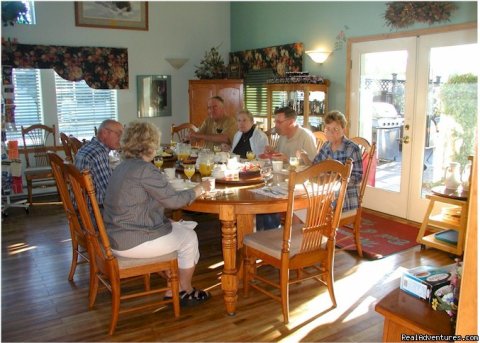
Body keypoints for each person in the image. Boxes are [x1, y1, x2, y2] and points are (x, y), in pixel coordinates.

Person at [103, 121, 212, 306]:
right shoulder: (145, 169)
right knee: (189, 238)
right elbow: (175, 202)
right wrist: (199, 189)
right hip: (133, 241)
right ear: (150, 145)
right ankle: (183, 290)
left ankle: (174, 283)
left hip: (115, 236)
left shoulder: (122, 166)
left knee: (178, 227)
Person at [257, 107, 317, 230]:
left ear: (291, 122)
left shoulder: (305, 136)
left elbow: (313, 167)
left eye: (279, 122)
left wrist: (288, 160)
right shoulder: (283, 136)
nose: (276, 125)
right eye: (275, 122)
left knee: (269, 201)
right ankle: (262, 233)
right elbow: (279, 156)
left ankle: (271, 234)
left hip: (300, 184)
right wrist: (273, 152)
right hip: (282, 180)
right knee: (261, 194)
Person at [298, 110, 363, 212]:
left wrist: (336, 178)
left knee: (308, 207)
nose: (331, 132)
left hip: (344, 197)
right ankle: (308, 226)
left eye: (336, 129)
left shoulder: (352, 148)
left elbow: (358, 177)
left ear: (343, 129)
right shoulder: (326, 146)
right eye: (328, 129)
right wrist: (304, 156)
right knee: (299, 204)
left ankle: (315, 226)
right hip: (326, 192)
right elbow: (314, 168)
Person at [74, 119, 123, 206]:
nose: (121, 138)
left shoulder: (89, 147)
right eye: (118, 134)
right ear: (104, 133)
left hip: (82, 206)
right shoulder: (99, 154)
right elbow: (109, 191)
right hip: (95, 209)